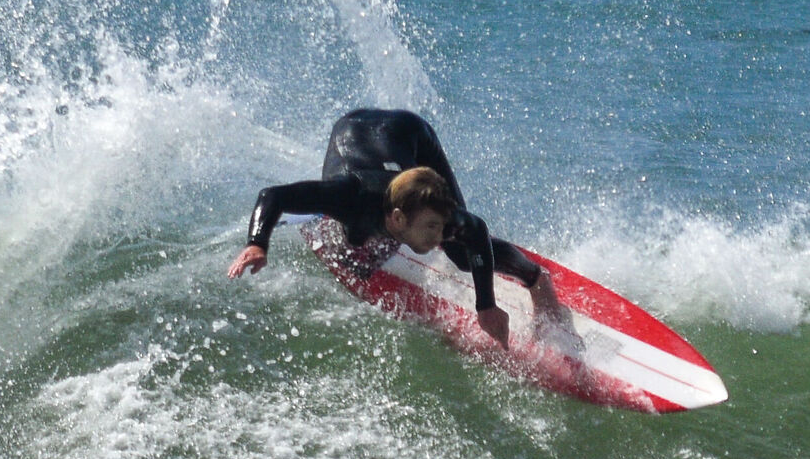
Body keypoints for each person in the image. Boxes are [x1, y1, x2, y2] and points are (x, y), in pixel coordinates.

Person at [226, 108, 560, 347]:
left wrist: (485, 305)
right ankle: (379, 243)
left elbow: (476, 230)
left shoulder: (440, 221)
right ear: (398, 218)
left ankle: (536, 279)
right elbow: (272, 196)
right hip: (352, 131)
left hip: (408, 132)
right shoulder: (348, 198)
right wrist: (258, 243)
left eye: (439, 227)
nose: (437, 236)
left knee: (460, 251)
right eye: (430, 227)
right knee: (354, 250)